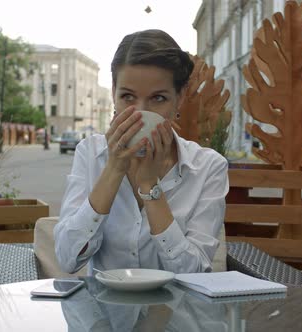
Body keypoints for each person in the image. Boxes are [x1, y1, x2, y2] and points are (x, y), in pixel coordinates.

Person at [54, 29, 229, 275]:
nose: (139, 112)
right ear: (113, 93)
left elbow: (195, 272)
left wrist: (150, 187)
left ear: (179, 98)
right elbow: (68, 259)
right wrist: (114, 169)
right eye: (127, 96)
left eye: (158, 98)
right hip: (105, 311)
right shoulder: (90, 153)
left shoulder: (208, 167)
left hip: (177, 311)